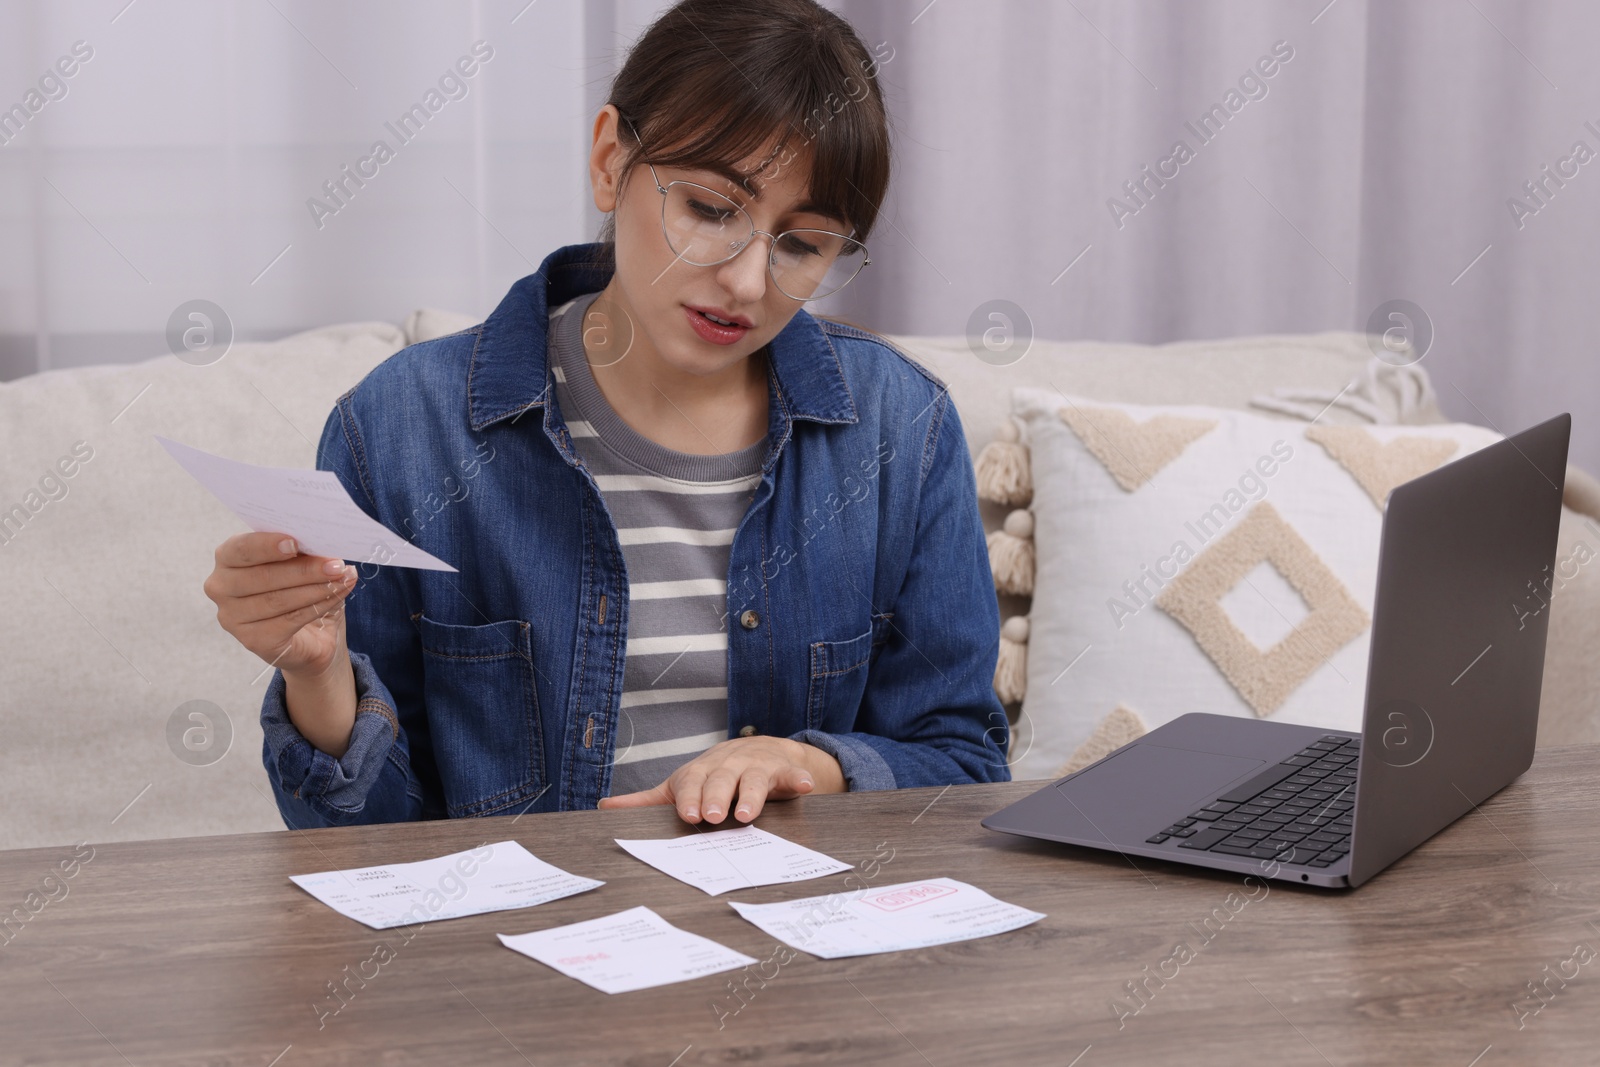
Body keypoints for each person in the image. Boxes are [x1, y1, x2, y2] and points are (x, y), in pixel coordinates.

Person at [203, 0, 1009, 832]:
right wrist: (319, 674)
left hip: (791, 941)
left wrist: (815, 764)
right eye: (711, 208)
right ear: (609, 161)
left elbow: (965, 765)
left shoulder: (900, 430)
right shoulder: (402, 428)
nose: (744, 281)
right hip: (516, 949)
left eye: (801, 245)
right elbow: (363, 847)